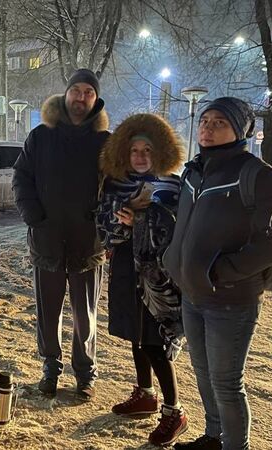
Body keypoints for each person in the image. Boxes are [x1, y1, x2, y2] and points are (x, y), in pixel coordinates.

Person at [163, 98, 272, 450]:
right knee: (204, 377)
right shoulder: (194, 171)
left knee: (226, 384)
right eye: (205, 120)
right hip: (193, 295)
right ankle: (214, 438)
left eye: (219, 122)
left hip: (231, 300)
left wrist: (225, 271)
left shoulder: (256, 174)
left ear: (240, 131)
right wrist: (172, 258)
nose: (208, 128)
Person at [12, 68, 110, 400]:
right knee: (48, 312)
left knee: (85, 315)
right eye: (76, 90)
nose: (81, 97)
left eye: (88, 92)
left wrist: (106, 225)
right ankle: (50, 367)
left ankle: (85, 372)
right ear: (65, 94)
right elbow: (21, 178)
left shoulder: (105, 142)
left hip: (88, 244)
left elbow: (117, 186)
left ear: (96, 100)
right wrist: (33, 216)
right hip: (47, 240)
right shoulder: (41, 136)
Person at [97, 113, 187, 446]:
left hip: (158, 274)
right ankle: (145, 394)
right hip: (124, 267)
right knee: (135, 334)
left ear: (160, 151)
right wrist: (122, 224)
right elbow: (105, 232)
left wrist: (140, 221)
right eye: (134, 150)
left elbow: (178, 232)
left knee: (154, 340)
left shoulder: (173, 185)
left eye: (147, 150)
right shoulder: (113, 184)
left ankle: (174, 411)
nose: (140, 156)